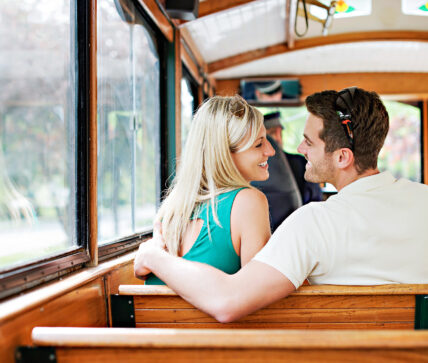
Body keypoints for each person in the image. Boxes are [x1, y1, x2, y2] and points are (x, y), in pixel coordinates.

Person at [134, 87, 428, 323]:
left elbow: (230, 302)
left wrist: (153, 255)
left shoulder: (312, 223)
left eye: (308, 142)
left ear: (342, 158)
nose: (296, 150)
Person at [142, 95, 274, 284]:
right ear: (224, 154)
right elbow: (259, 291)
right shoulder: (249, 202)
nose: (271, 151)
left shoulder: (170, 209)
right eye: (259, 144)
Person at [252, 112, 322, 231]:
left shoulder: (247, 170)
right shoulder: (302, 163)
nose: (278, 138)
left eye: (279, 133)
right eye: (272, 134)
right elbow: (315, 203)